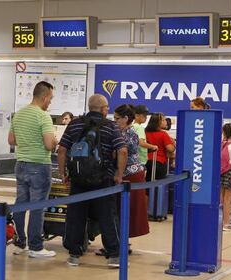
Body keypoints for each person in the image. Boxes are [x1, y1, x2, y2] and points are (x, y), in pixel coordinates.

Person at [58, 94, 122, 267]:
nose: (108, 110)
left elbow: (62, 150)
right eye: (107, 107)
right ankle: (114, 255)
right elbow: (122, 151)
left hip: (78, 178)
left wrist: (63, 173)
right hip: (104, 179)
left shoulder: (74, 124)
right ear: (102, 109)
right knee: (107, 215)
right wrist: (119, 175)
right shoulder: (110, 126)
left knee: (76, 215)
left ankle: (73, 254)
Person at [8, 81, 57, 258]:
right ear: (44, 97)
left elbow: (11, 140)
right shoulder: (43, 116)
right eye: (50, 98)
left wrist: (26, 141)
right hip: (39, 165)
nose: (50, 102)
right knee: (38, 207)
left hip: (21, 164)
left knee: (20, 204)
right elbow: (48, 144)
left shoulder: (19, 114)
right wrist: (55, 141)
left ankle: (20, 243)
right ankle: (36, 246)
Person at [114, 105, 149, 239]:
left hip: (129, 175)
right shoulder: (124, 132)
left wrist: (119, 174)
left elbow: (123, 153)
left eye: (117, 118)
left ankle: (121, 243)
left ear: (126, 118)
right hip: (130, 173)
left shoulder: (129, 133)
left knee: (126, 211)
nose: (115, 121)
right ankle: (121, 242)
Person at [145, 113, 175, 182]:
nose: (166, 122)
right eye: (164, 120)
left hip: (146, 162)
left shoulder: (145, 132)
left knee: (147, 185)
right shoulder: (163, 134)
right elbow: (170, 149)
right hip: (159, 162)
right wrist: (173, 144)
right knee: (158, 188)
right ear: (158, 122)